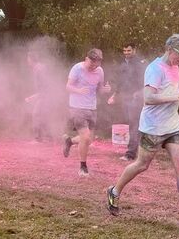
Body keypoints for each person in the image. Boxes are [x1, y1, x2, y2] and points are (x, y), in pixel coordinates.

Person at [106, 34, 179, 233]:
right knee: (141, 165)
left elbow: (171, 93)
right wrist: (177, 96)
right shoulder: (155, 69)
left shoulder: (175, 66)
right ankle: (114, 191)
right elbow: (148, 98)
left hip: (173, 126)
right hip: (152, 128)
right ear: (170, 50)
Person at [63, 48, 111, 176]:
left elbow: (99, 89)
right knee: (85, 137)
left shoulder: (100, 71)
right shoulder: (77, 69)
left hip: (92, 107)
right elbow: (67, 86)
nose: (94, 66)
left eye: (97, 64)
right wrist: (78, 91)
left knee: (89, 139)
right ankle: (83, 167)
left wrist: (106, 90)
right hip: (77, 107)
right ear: (86, 59)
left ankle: (70, 141)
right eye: (92, 63)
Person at [107, 43, 147, 161]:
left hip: (137, 99)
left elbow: (146, 81)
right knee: (133, 124)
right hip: (126, 98)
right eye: (124, 50)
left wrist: (139, 93)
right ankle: (140, 150)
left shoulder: (140, 64)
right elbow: (121, 82)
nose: (126, 53)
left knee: (134, 125)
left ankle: (130, 153)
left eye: (129, 50)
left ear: (134, 50)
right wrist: (114, 95)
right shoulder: (123, 63)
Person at [24, 50, 55, 142]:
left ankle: (38, 139)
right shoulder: (38, 68)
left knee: (36, 114)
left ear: (31, 59)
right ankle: (49, 137)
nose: (27, 61)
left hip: (45, 96)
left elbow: (45, 86)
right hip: (44, 95)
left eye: (28, 58)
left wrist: (34, 97)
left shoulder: (39, 69)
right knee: (43, 116)